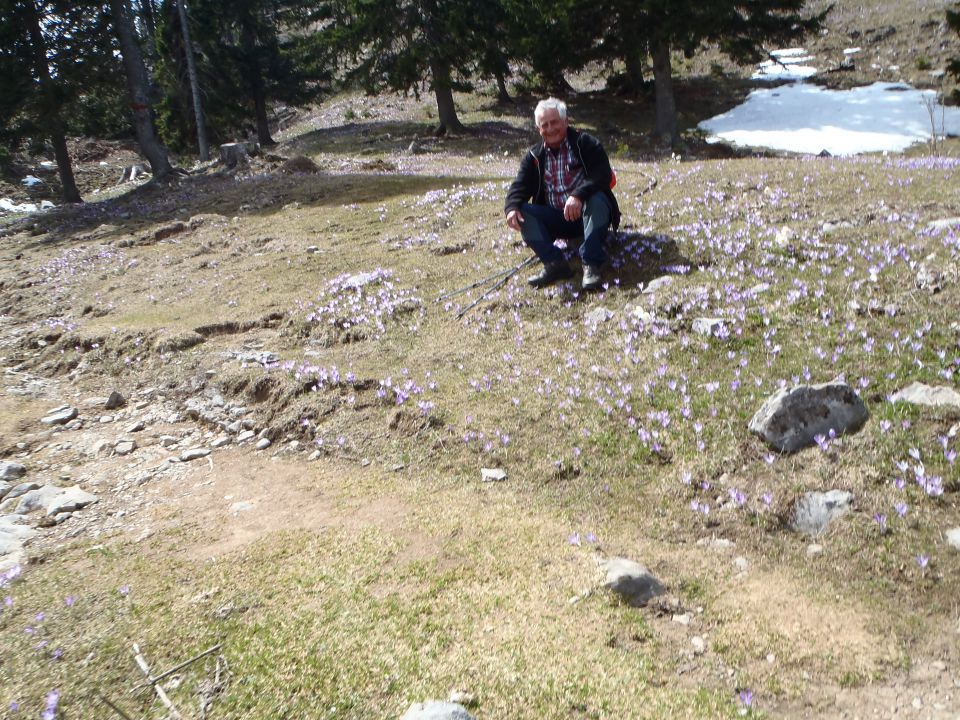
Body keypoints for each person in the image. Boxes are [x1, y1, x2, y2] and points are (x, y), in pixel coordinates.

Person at [504, 97, 621, 291]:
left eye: (555, 122)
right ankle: (555, 264)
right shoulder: (534, 156)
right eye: (544, 125)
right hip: (557, 219)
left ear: (566, 121)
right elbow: (519, 186)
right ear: (538, 129)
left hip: (589, 215)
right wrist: (511, 207)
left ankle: (592, 264)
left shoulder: (585, 143)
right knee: (522, 211)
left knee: (596, 198)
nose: (550, 129)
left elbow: (602, 175)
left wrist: (578, 195)